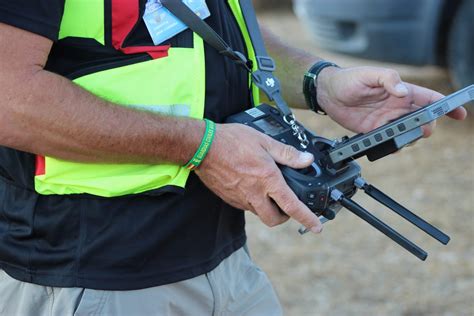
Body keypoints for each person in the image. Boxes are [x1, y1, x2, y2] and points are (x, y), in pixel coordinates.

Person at [0, 1, 466, 315]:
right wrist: (200, 146)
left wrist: (320, 83)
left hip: (224, 262)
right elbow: (9, 98)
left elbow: (216, 38)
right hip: (96, 276)